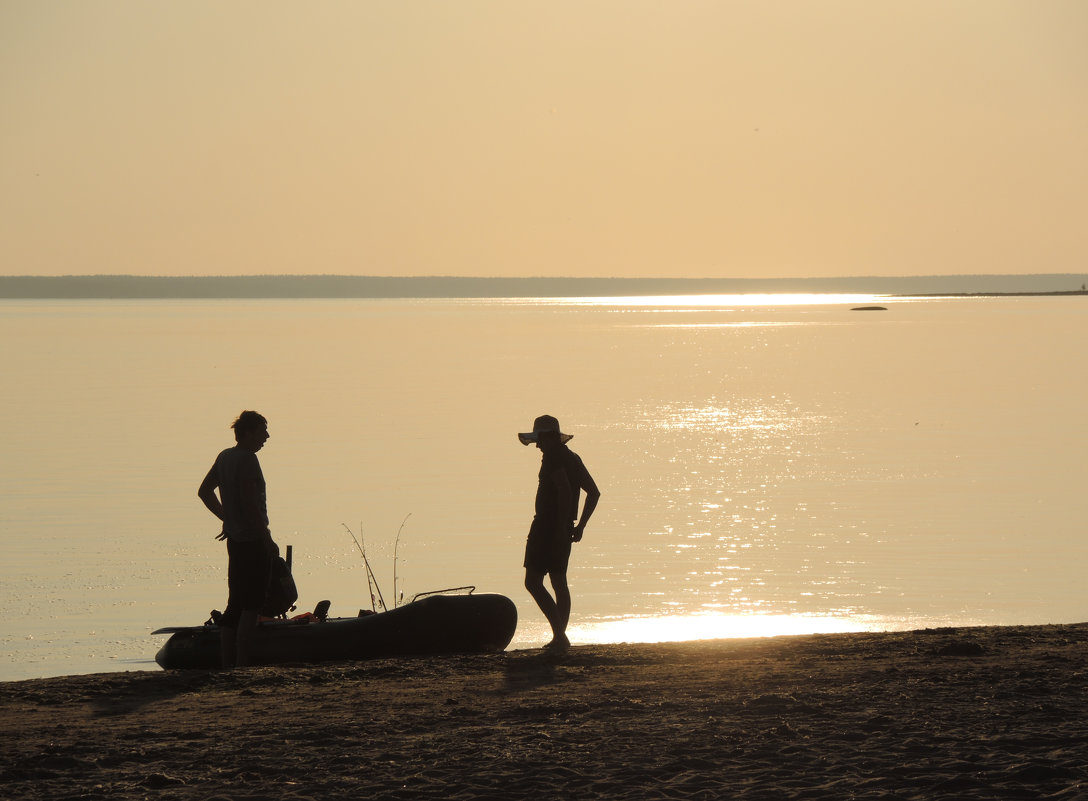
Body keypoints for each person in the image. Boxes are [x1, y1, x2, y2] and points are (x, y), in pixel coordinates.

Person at [197, 410, 276, 668]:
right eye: (262, 431)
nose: (266, 436)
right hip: (252, 540)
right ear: (248, 432)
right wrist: (266, 538)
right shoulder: (247, 460)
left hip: (235, 540)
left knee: (235, 604)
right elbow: (250, 502)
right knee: (252, 605)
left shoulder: (225, 457)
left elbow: (205, 491)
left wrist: (227, 518)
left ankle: (227, 663)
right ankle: (242, 664)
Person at [518, 414, 600, 652]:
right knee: (558, 581)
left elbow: (564, 489)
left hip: (547, 527)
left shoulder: (553, 458)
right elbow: (593, 493)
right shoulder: (573, 458)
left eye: (540, 440)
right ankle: (559, 639)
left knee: (533, 582)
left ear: (548, 438)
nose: (538, 446)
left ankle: (560, 636)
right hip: (563, 527)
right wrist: (579, 526)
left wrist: (558, 528)